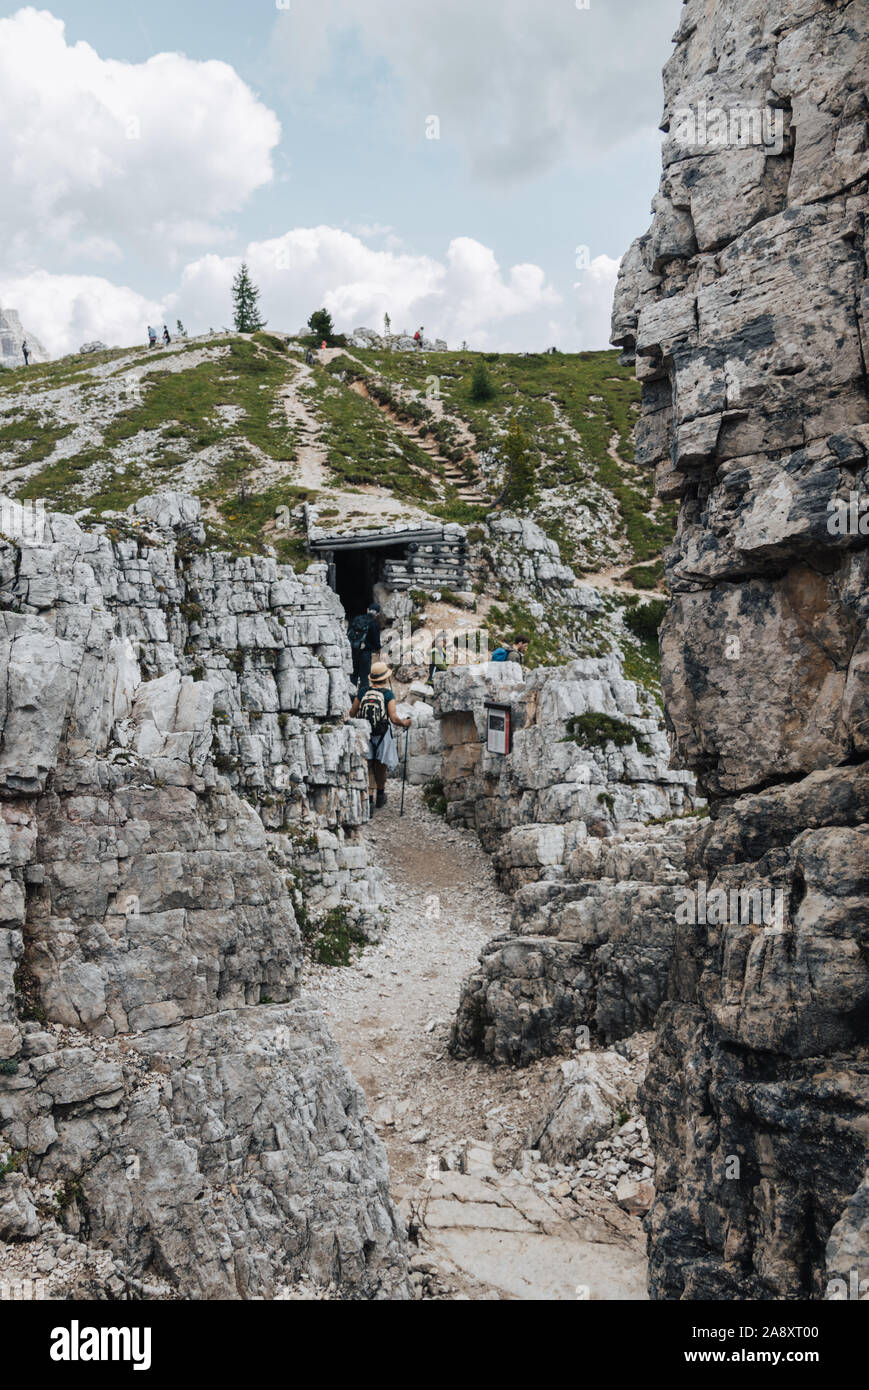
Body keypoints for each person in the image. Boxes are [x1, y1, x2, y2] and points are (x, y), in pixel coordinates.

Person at [349, 662, 411, 812]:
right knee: (381, 766)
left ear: (372, 678)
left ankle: (369, 799)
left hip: (366, 734)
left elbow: (352, 713)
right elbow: (394, 718)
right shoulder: (388, 694)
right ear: (385, 678)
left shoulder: (363, 692)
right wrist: (405, 723)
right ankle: (380, 796)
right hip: (383, 735)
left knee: (369, 765)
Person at [347, 602, 383, 689]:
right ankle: (362, 699)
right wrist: (379, 650)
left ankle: (351, 699)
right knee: (364, 678)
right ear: (377, 614)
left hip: (353, 651)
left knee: (353, 676)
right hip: (365, 653)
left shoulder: (357, 619)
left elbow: (348, 634)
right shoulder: (374, 624)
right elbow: (376, 643)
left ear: (367, 610)